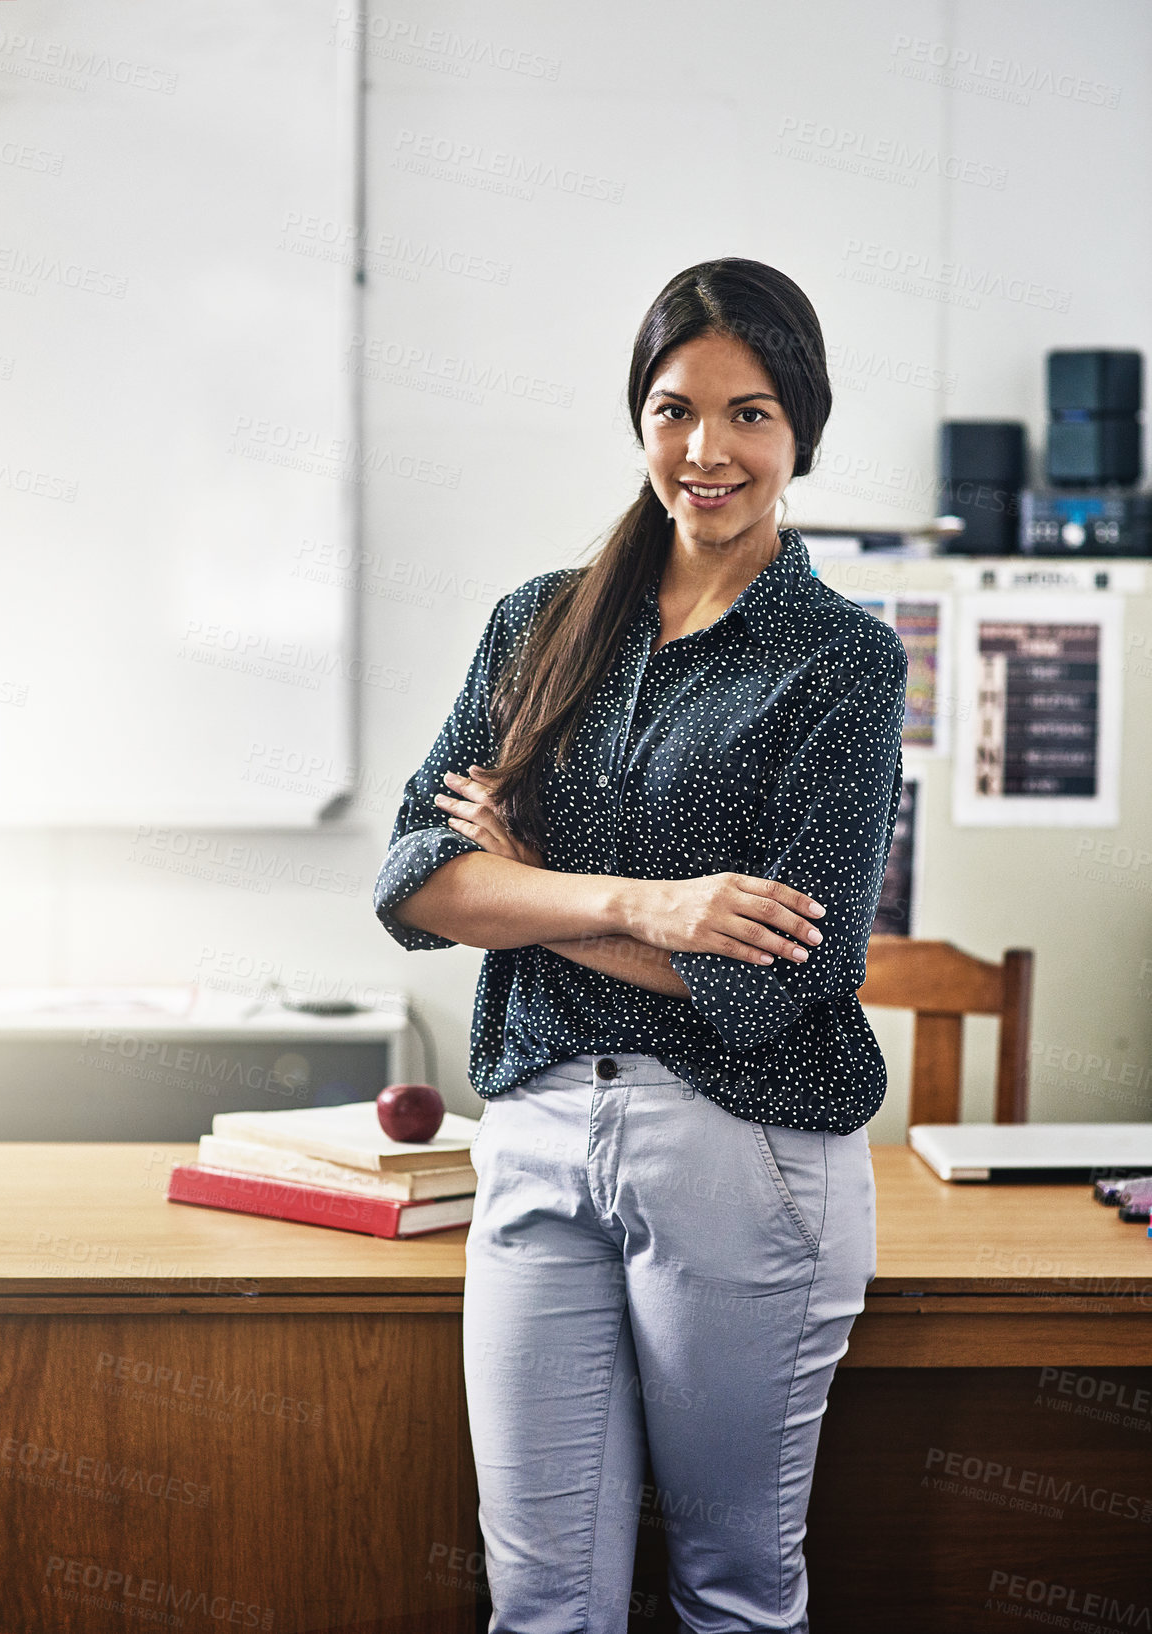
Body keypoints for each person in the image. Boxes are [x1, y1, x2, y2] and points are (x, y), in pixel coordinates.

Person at [372, 258, 907, 1634]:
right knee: (541, 1603)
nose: (708, 449)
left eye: (752, 412)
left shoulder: (841, 660)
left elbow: (787, 980)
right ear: (639, 420)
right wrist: (645, 903)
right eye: (674, 409)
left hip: (742, 1150)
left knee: (731, 1595)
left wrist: (532, 879)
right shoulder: (540, 623)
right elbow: (417, 880)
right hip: (539, 1134)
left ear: (803, 433)